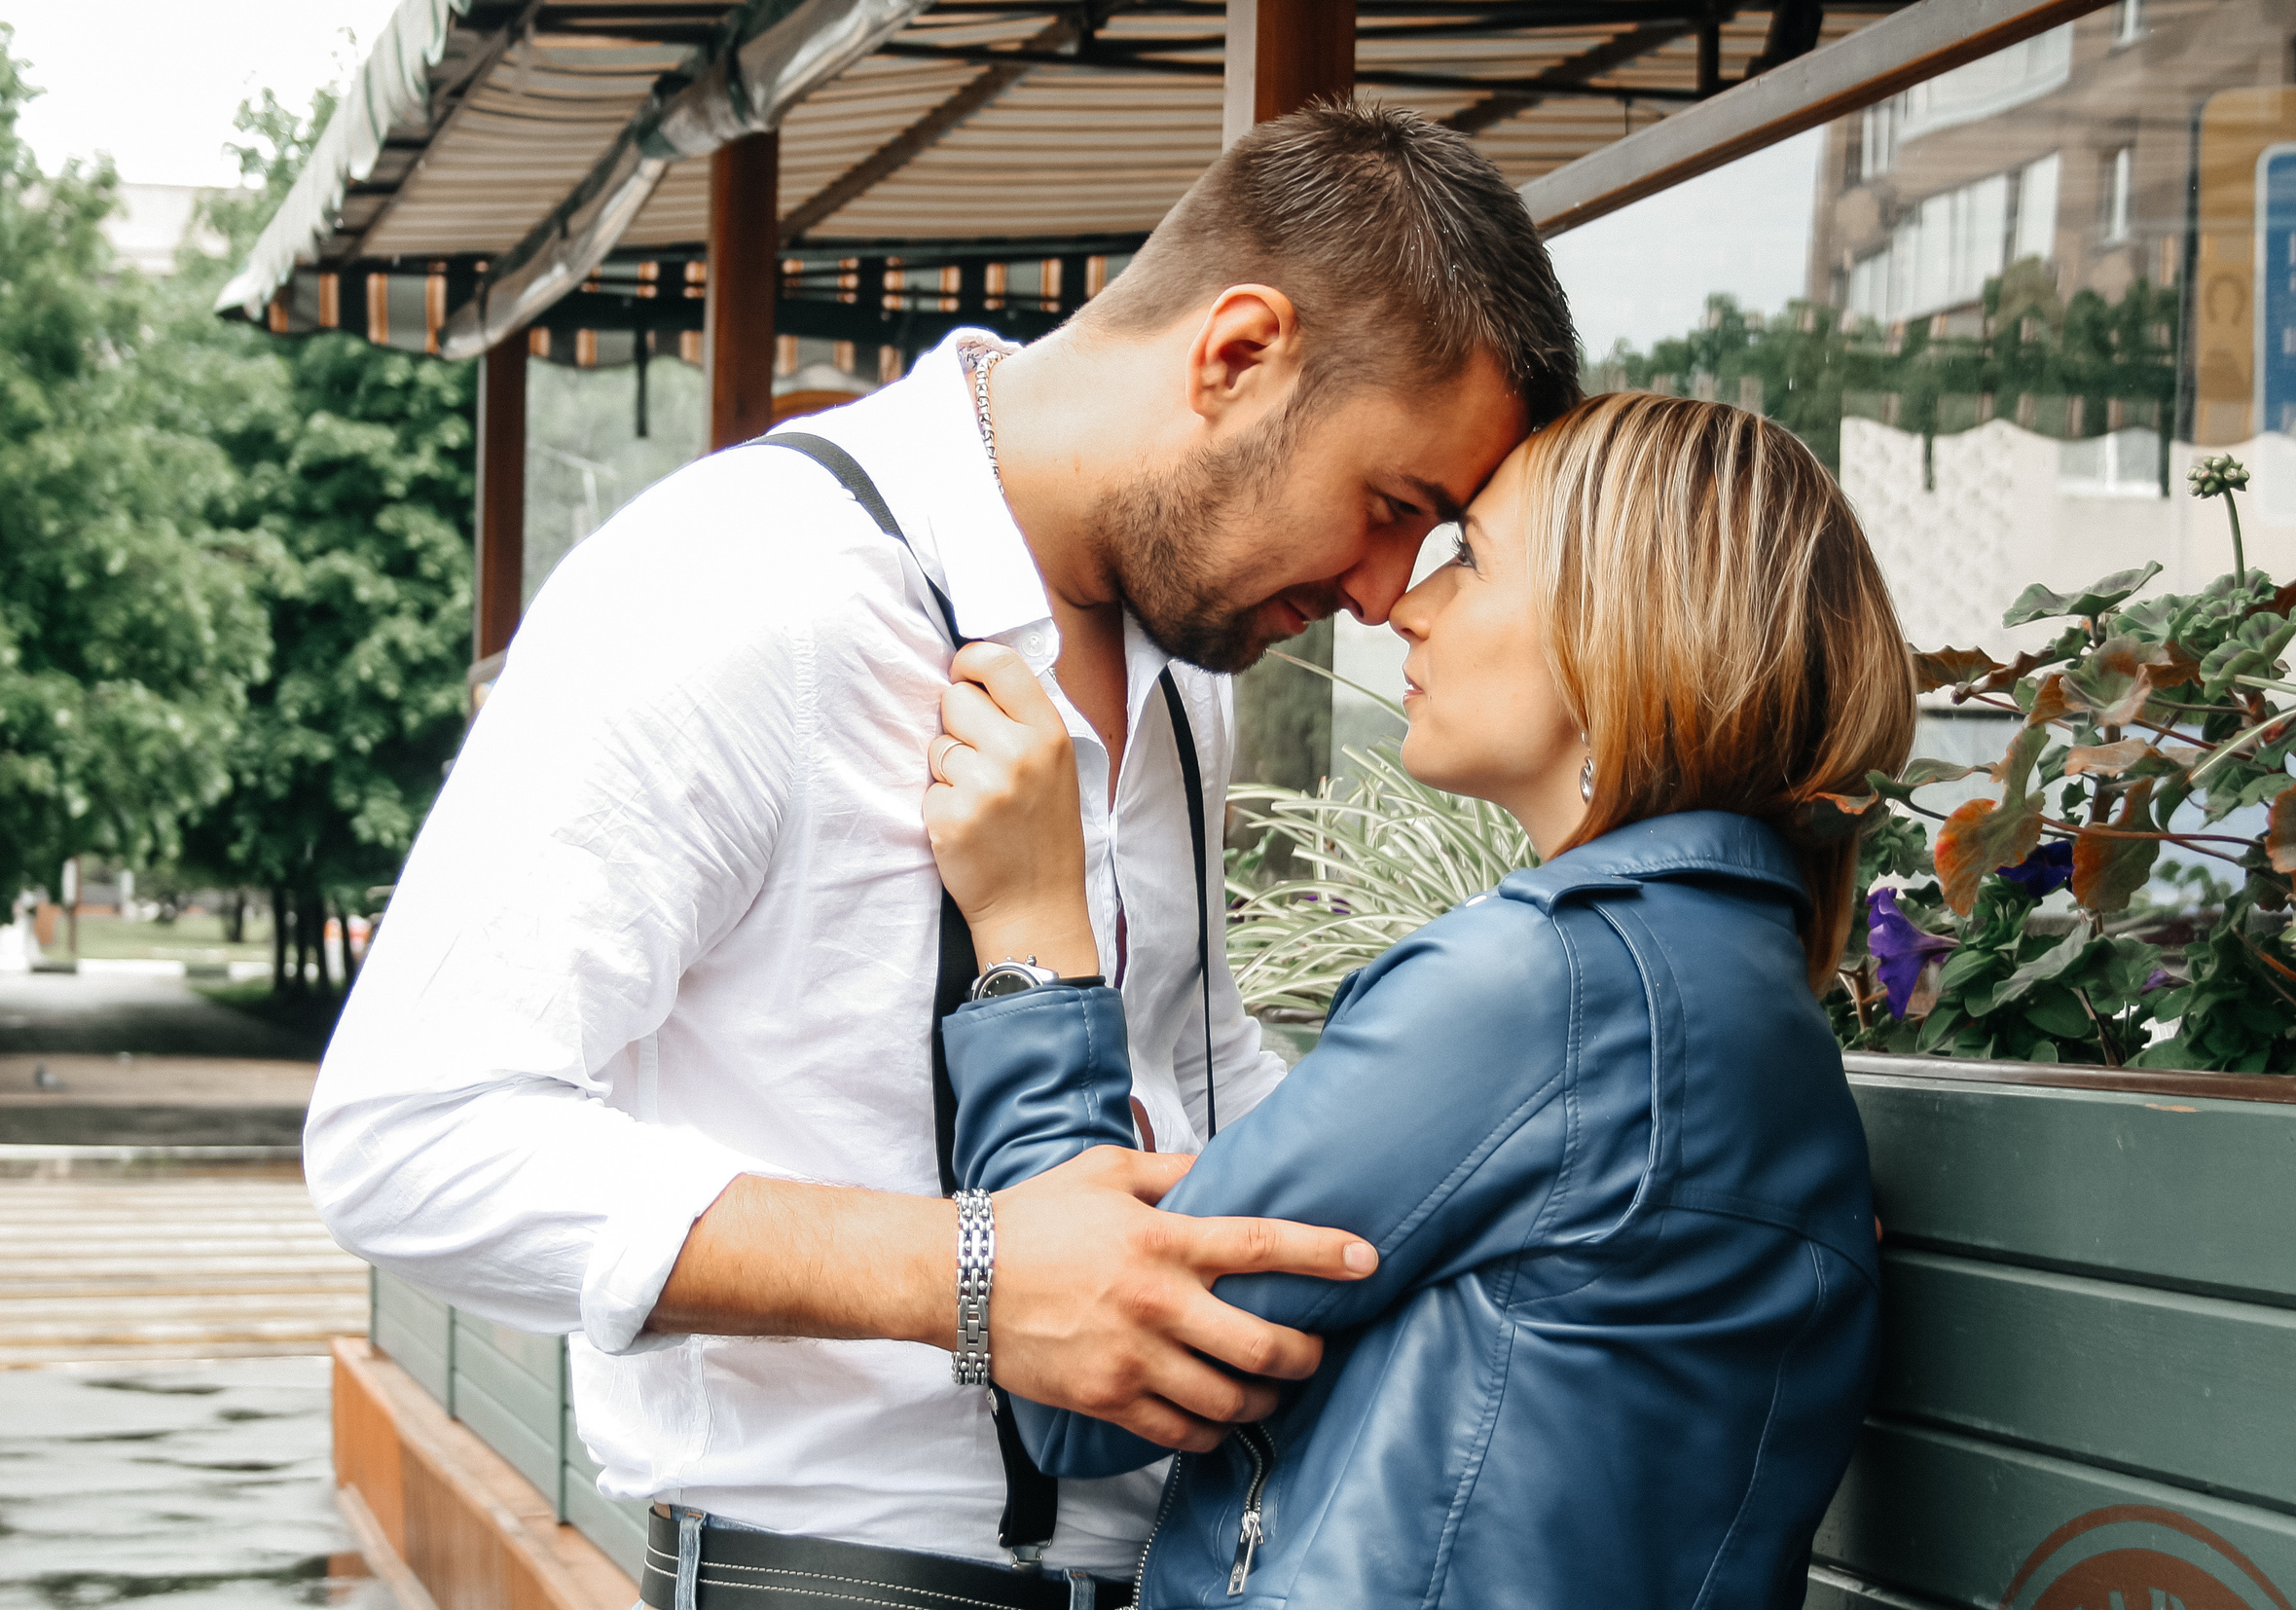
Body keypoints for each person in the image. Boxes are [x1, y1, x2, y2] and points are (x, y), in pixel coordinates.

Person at [305, 100, 1581, 1605]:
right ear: (1237, 355)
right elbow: (405, 1136)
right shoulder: (741, 583)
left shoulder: (1191, 669)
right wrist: (963, 1273)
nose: (1382, 593)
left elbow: (1188, 1050)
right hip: (840, 1574)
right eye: (1387, 509)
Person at [924, 392, 1916, 1607]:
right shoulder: (1731, 989)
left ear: (1618, 635)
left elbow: (1079, 1369)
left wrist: (1031, 940)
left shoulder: (1550, 991)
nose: (1406, 601)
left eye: (1469, 557)